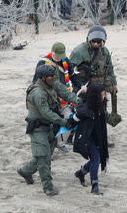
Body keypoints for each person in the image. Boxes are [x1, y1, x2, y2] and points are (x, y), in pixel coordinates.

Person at [17, 64, 80, 196]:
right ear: (43, 77)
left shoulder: (52, 85)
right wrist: (64, 122)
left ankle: (25, 171)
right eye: (51, 76)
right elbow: (46, 113)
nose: (54, 78)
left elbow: (66, 94)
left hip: (50, 126)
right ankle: (47, 186)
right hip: (38, 128)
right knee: (44, 157)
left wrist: (79, 101)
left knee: (44, 155)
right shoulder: (38, 93)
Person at [32, 42, 86, 152]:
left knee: (70, 119)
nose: (59, 58)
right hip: (49, 101)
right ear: (52, 52)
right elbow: (35, 83)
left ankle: (60, 143)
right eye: (57, 56)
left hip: (63, 100)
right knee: (48, 125)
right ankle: (48, 149)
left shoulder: (65, 60)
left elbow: (72, 76)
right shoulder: (43, 63)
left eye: (61, 56)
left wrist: (81, 85)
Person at [69, 25, 120, 130]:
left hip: (99, 87)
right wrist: (78, 84)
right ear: (89, 39)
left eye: (99, 41)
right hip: (84, 87)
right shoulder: (79, 51)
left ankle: (100, 136)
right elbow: (69, 69)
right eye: (94, 41)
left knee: (101, 112)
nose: (96, 43)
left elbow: (110, 69)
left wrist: (114, 84)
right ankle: (71, 135)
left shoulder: (105, 52)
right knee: (80, 111)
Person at [72, 83, 109, 195]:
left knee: (96, 159)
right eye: (101, 95)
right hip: (86, 139)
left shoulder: (102, 106)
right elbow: (72, 121)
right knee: (96, 159)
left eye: (104, 94)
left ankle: (81, 173)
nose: (103, 97)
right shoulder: (84, 110)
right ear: (95, 96)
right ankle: (94, 185)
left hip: (98, 138)